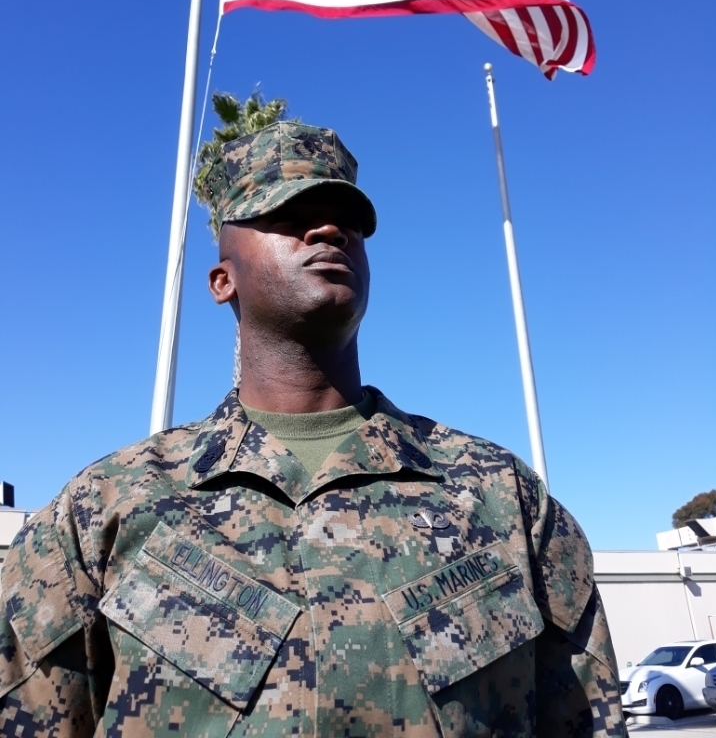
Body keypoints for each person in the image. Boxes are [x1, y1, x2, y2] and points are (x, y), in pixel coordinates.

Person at [0, 122, 626, 737]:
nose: (329, 229)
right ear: (223, 281)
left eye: (346, 221)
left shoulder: (500, 497)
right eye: (286, 215)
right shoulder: (105, 508)